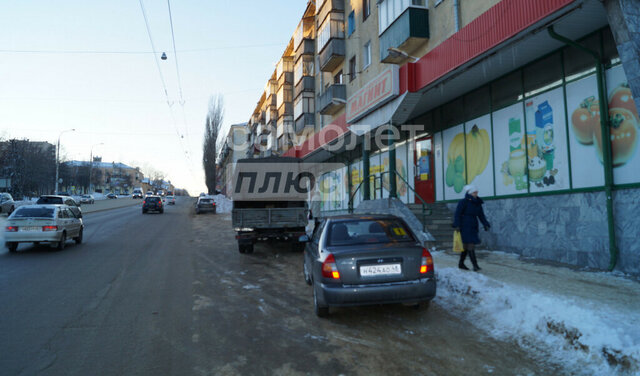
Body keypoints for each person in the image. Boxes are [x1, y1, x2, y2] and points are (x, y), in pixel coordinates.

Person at [452, 185, 490, 271]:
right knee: (470, 245)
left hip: (473, 226)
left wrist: (485, 224)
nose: (476, 194)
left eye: (476, 192)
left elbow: (481, 215)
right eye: (474, 192)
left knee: (466, 246)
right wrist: (457, 225)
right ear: (470, 193)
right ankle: (475, 265)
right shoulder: (463, 202)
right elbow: (457, 214)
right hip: (464, 226)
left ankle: (461, 264)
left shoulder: (478, 203)